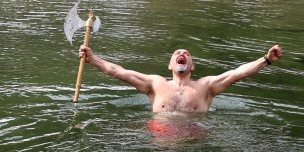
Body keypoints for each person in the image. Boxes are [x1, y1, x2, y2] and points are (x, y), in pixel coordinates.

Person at [77, 44, 283, 113]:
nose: (181, 53)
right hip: (159, 137)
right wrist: (93, 58)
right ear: (170, 66)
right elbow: (118, 71)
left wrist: (266, 59)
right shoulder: (155, 84)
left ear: (192, 66)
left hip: (195, 138)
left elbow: (239, 72)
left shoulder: (206, 86)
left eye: (185, 53)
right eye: (176, 53)